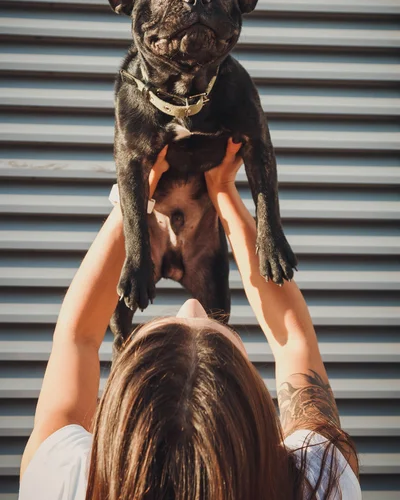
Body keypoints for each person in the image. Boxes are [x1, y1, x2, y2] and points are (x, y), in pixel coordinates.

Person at [18, 139, 361, 500]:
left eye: (167, 325)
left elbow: (78, 337)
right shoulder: (315, 480)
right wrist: (224, 190)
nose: (191, 306)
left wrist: (134, 195)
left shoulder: (72, 480)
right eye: (219, 332)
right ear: (253, 414)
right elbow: (295, 339)